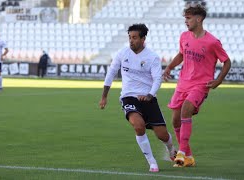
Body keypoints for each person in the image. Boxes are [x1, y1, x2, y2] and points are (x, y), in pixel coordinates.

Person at [99, 24, 177, 173]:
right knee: (139, 126)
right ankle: (152, 162)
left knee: (162, 135)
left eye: (134, 37)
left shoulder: (152, 57)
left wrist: (150, 95)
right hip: (129, 97)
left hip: (148, 98)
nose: (131, 40)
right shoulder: (122, 54)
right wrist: (104, 97)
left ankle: (171, 149)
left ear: (143, 38)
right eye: (129, 37)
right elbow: (111, 73)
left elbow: (157, 79)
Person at [162, 4, 231, 167]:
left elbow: (227, 61)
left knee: (187, 108)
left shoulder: (212, 42)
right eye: (185, 18)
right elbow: (181, 54)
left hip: (200, 85)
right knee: (175, 121)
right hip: (183, 83)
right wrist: (169, 67)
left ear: (198, 19)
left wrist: (218, 80)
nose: (186, 22)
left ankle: (182, 152)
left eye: (188, 18)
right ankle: (189, 157)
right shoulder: (184, 36)